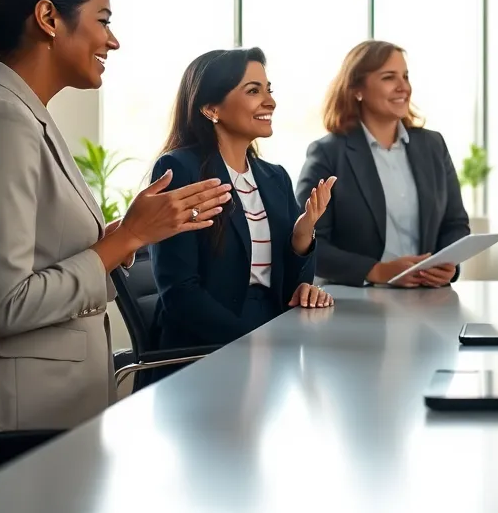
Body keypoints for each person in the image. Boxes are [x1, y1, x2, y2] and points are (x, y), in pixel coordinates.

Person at [0, 0, 233, 432]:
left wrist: (133, 231)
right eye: (103, 20)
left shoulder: (10, 109)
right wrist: (122, 242)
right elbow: (5, 303)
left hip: (38, 403)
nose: (113, 40)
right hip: (17, 414)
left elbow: (41, 257)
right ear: (48, 18)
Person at [150, 47, 335, 356]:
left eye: (269, 90)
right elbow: (180, 294)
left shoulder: (275, 178)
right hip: (207, 347)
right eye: (253, 90)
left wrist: (303, 237)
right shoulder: (181, 170)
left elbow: (290, 290)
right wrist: (253, 342)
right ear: (211, 108)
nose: (270, 101)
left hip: (272, 335)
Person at [296, 40, 469, 286]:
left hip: (427, 298)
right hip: (355, 303)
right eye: (389, 78)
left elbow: (455, 224)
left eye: (405, 76)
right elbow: (307, 242)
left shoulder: (433, 145)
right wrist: (376, 271)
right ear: (357, 89)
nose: (403, 87)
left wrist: (449, 266)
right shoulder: (328, 153)